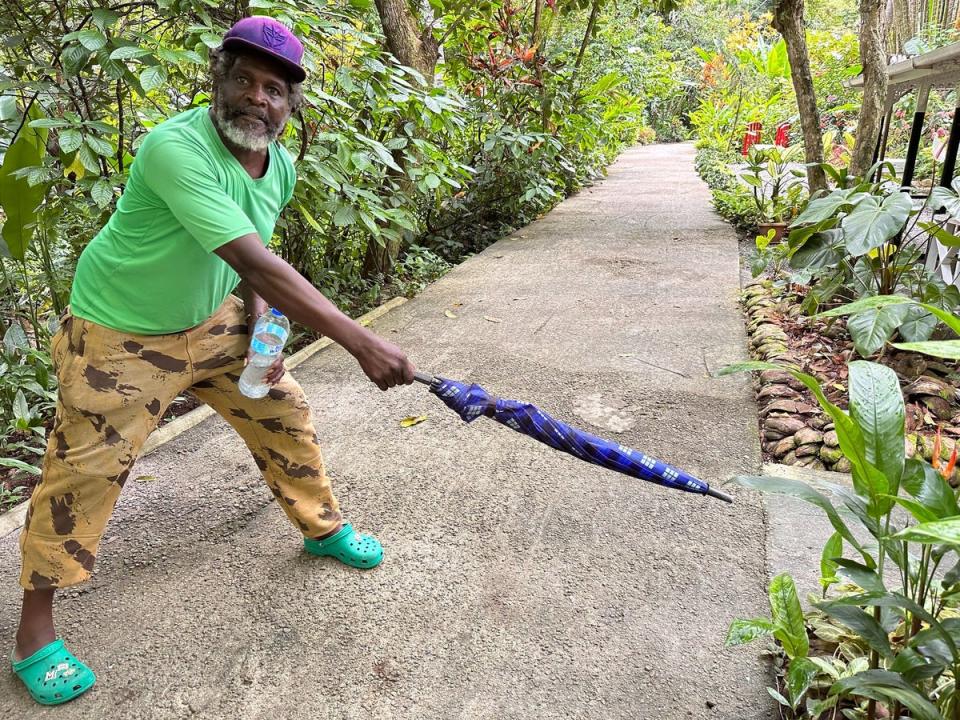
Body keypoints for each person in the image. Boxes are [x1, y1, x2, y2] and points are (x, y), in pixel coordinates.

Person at [10, 16, 416, 706]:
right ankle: (33, 634)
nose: (259, 97)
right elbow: (254, 256)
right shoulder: (176, 148)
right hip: (121, 332)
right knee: (85, 469)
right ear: (219, 81)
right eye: (245, 79)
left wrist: (259, 320)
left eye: (275, 89)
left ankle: (321, 528)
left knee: (283, 410)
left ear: (290, 106)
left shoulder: (277, 163)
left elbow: (253, 259)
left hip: (214, 318)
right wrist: (360, 340)